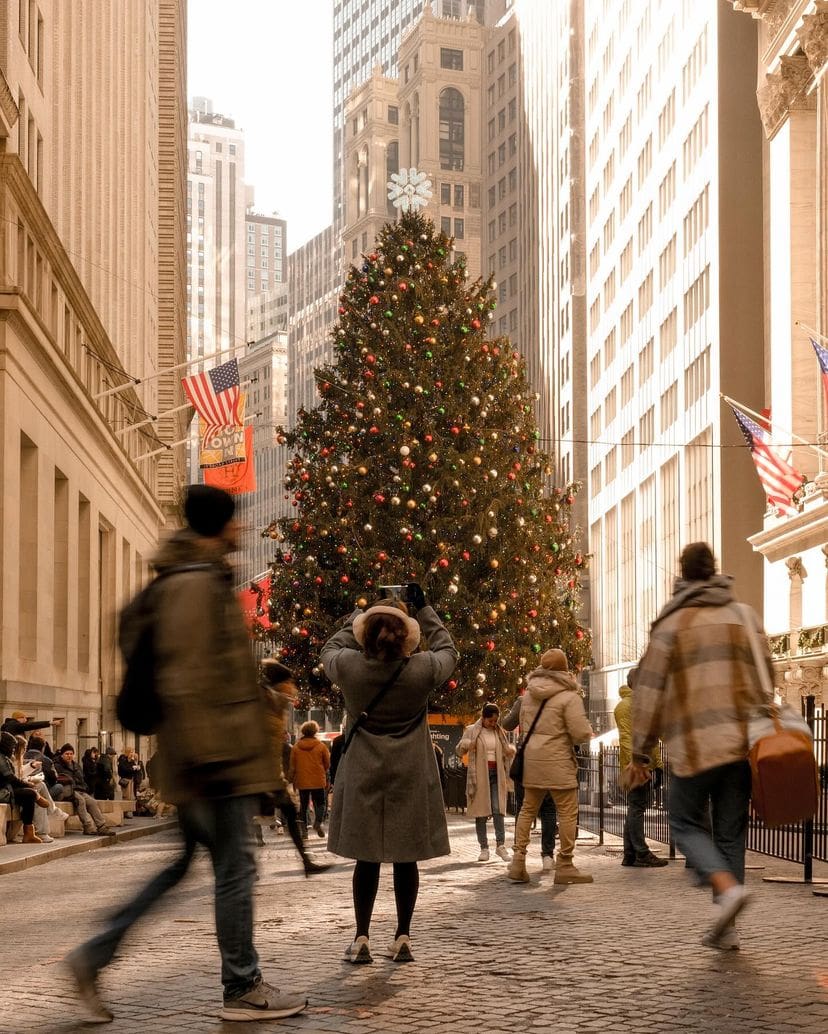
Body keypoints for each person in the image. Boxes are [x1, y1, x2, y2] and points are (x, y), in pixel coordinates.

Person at [65, 484, 307, 1023]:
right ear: (218, 526)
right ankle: (242, 987)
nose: (241, 529)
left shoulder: (189, 579)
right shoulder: (197, 586)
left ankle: (93, 956)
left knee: (181, 867)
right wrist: (215, 763)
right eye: (235, 521)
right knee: (236, 870)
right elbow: (192, 681)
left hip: (207, 758)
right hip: (215, 762)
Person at [629, 542, 770, 950]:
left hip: (693, 744)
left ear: (683, 575)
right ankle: (728, 926)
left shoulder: (672, 624)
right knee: (730, 833)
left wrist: (641, 751)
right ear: (713, 571)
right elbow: (767, 677)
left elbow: (649, 691)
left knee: (684, 823)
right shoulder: (743, 616)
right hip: (741, 743)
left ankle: (726, 890)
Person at [321, 583, 457, 964]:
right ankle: (402, 936)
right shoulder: (423, 670)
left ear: (366, 634)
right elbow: (448, 650)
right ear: (406, 637)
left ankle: (362, 935)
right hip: (409, 772)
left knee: (366, 859)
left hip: (364, 770)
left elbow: (329, 649)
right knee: (405, 858)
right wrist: (424, 609)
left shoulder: (350, 667)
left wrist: (357, 616)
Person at [506, 649, 594, 885]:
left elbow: (521, 728)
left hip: (532, 763)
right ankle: (564, 864)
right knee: (566, 812)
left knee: (526, 810)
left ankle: (518, 861)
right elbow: (579, 733)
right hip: (559, 762)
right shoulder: (569, 696)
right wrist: (587, 731)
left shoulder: (527, 697)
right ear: (564, 669)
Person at [258, 659, 330, 876]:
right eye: (289, 682)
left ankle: (306, 862)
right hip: (256, 774)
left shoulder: (275, 704)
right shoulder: (263, 702)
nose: (293, 688)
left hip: (270, 775)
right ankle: (238, 867)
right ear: (279, 684)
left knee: (289, 811)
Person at [614, 670, 668, 868]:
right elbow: (627, 738)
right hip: (638, 764)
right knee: (637, 807)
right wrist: (636, 764)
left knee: (635, 807)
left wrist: (659, 766)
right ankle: (641, 852)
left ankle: (631, 854)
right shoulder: (627, 707)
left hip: (644, 763)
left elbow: (654, 738)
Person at [502, 696, 558, 872]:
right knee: (549, 809)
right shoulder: (556, 699)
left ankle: (519, 856)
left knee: (523, 809)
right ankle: (548, 855)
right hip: (548, 758)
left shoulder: (522, 700)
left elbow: (507, 724)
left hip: (526, 759)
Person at [457, 704, 515, 862]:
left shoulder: (499, 732)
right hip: (480, 776)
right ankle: (484, 848)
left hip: (497, 774)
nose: (493, 723)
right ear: (483, 717)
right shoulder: (471, 730)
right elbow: (459, 751)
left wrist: (509, 750)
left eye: (496, 721)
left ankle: (500, 845)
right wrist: (468, 744)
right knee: (481, 812)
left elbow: (505, 750)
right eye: (490, 720)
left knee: (498, 810)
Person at [53, 745, 116, 837]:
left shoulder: (76, 765)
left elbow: (82, 779)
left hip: (79, 790)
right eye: (66, 754)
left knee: (92, 802)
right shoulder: (57, 765)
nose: (69, 756)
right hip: (66, 790)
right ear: (62, 755)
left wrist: (84, 788)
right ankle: (88, 826)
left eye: (71, 754)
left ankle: (102, 826)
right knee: (80, 801)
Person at [0, 731, 50, 843]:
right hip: (3, 792)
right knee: (30, 794)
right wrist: (27, 784)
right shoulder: (1, 758)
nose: (13, 750)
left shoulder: (4, 757)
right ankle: (38, 798)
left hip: (7, 789)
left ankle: (29, 833)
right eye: (12, 747)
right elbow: (10, 778)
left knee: (29, 795)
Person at [288, 721, 330, 838]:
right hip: (318, 780)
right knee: (320, 803)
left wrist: (290, 779)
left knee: (304, 805)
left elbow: (292, 766)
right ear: (315, 731)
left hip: (302, 780)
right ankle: (317, 823)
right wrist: (321, 771)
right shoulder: (321, 746)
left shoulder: (296, 747)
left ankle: (304, 831)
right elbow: (327, 763)